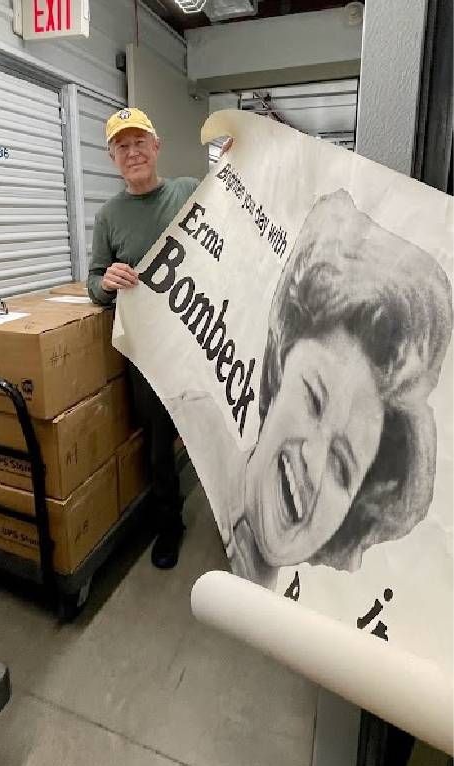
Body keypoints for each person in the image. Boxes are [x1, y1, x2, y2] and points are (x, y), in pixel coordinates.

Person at [166, 189, 453, 587]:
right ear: (280, 368)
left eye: (342, 466)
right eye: (314, 400)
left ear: (352, 511)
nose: (313, 464)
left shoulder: (310, 629)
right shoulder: (194, 421)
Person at [87, 108, 231, 569]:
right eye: (122, 146)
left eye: (139, 142)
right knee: (158, 440)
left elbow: (234, 209)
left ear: (157, 146)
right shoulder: (109, 217)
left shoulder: (189, 190)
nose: (133, 153)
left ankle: (235, 525)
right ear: (113, 157)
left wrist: (238, 160)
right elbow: (92, 283)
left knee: (218, 432)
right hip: (147, 354)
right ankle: (170, 523)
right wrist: (105, 281)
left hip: (201, 341)